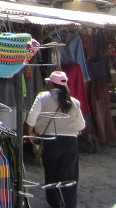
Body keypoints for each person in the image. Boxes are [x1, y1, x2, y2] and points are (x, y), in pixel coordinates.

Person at [25, 71, 86, 208]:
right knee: (70, 176)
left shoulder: (43, 97)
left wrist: (31, 134)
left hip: (50, 141)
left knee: (51, 172)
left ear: (51, 84)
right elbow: (81, 125)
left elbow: (31, 118)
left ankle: (55, 203)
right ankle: (69, 204)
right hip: (70, 142)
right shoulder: (74, 102)